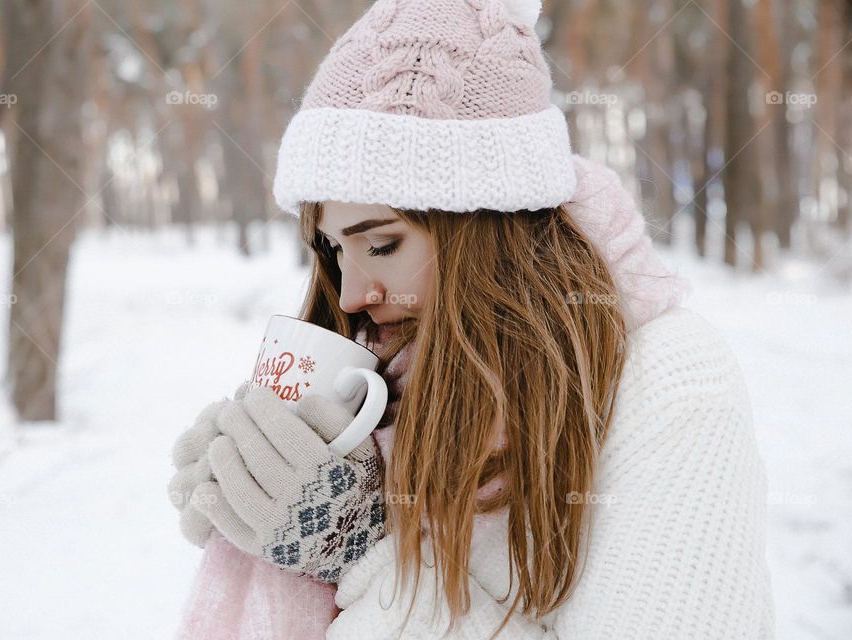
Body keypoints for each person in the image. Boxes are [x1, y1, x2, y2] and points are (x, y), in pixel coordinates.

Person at [169, 0, 777, 637]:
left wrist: (358, 551)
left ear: (488, 226)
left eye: (381, 244)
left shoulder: (671, 383)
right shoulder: (388, 387)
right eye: (332, 250)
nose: (348, 296)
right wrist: (259, 488)